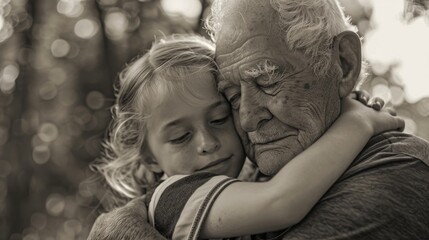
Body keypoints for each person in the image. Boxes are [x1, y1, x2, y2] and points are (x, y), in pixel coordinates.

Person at [88, 0, 429, 239]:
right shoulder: (204, 189)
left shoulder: (395, 170)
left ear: (343, 63)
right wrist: (359, 121)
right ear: (148, 155)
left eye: (267, 81)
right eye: (233, 98)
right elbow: (281, 201)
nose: (248, 118)